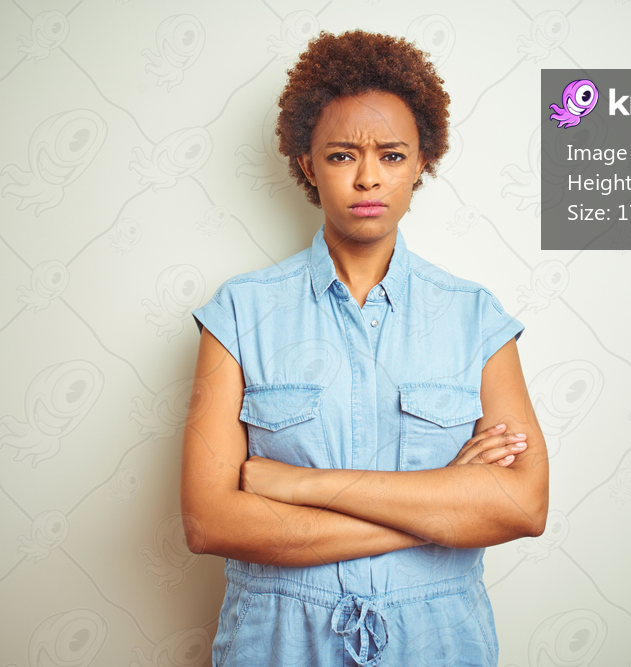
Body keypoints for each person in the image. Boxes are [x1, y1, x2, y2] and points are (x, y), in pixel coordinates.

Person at [183, 28, 549, 667]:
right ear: (307, 164)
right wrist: (440, 505)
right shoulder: (239, 313)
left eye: (393, 154)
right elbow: (210, 522)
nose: (369, 177)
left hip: (439, 643)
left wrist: (294, 486)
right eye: (343, 155)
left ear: (421, 163)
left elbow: (524, 504)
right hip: (277, 643)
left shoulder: (475, 318)